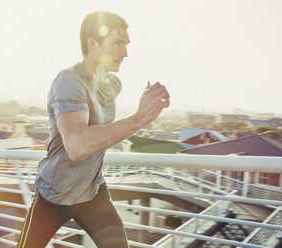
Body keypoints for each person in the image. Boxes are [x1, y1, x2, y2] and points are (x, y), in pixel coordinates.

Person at [17, 10, 170, 248]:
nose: (126, 53)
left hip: (92, 192)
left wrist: (149, 107)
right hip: (55, 194)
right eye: (118, 43)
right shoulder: (68, 81)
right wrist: (139, 118)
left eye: (127, 44)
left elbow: (102, 132)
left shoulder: (113, 85)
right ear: (92, 43)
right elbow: (76, 146)